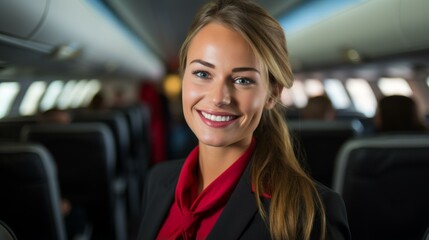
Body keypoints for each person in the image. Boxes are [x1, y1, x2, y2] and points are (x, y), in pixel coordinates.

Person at [138, 0, 351, 239]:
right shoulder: (159, 181)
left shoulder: (311, 213)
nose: (219, 98)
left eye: (243, 80)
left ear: (272, 94)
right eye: (202, 74)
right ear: (183, 78)